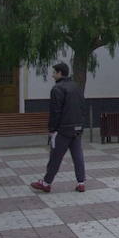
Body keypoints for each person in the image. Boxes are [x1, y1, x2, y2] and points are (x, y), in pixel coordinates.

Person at [31, 62, 86, 193]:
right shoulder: (76, 87)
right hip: (77, 128)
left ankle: (46, 183)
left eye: (54, 72)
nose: (52, 75)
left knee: (55, 156)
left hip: (63, 129)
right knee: (78, 156)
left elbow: (55, 111)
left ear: (60, 73)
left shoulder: (57, 89)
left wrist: (52, 129)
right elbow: (82, 106)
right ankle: (81, 182)